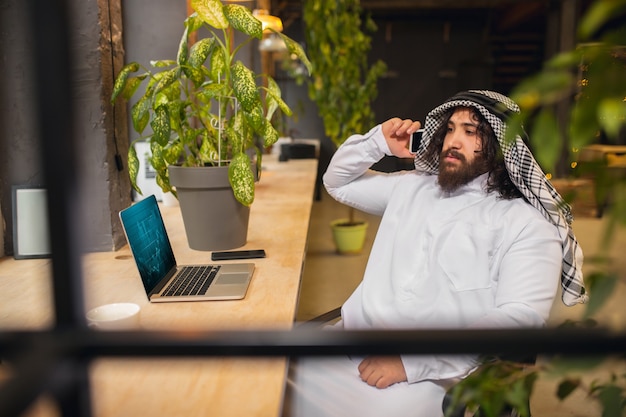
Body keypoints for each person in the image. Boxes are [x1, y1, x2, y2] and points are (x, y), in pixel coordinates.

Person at [288, 90, 587, 417]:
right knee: (265, 381)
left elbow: (520, 318)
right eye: (450, 129)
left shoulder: (525, 224)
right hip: (345, 344)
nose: (453, 141)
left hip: (424, 377)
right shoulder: (412, 187)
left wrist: (410, 362)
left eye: (471, 132)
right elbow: (338, 183)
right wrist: (379, 143)